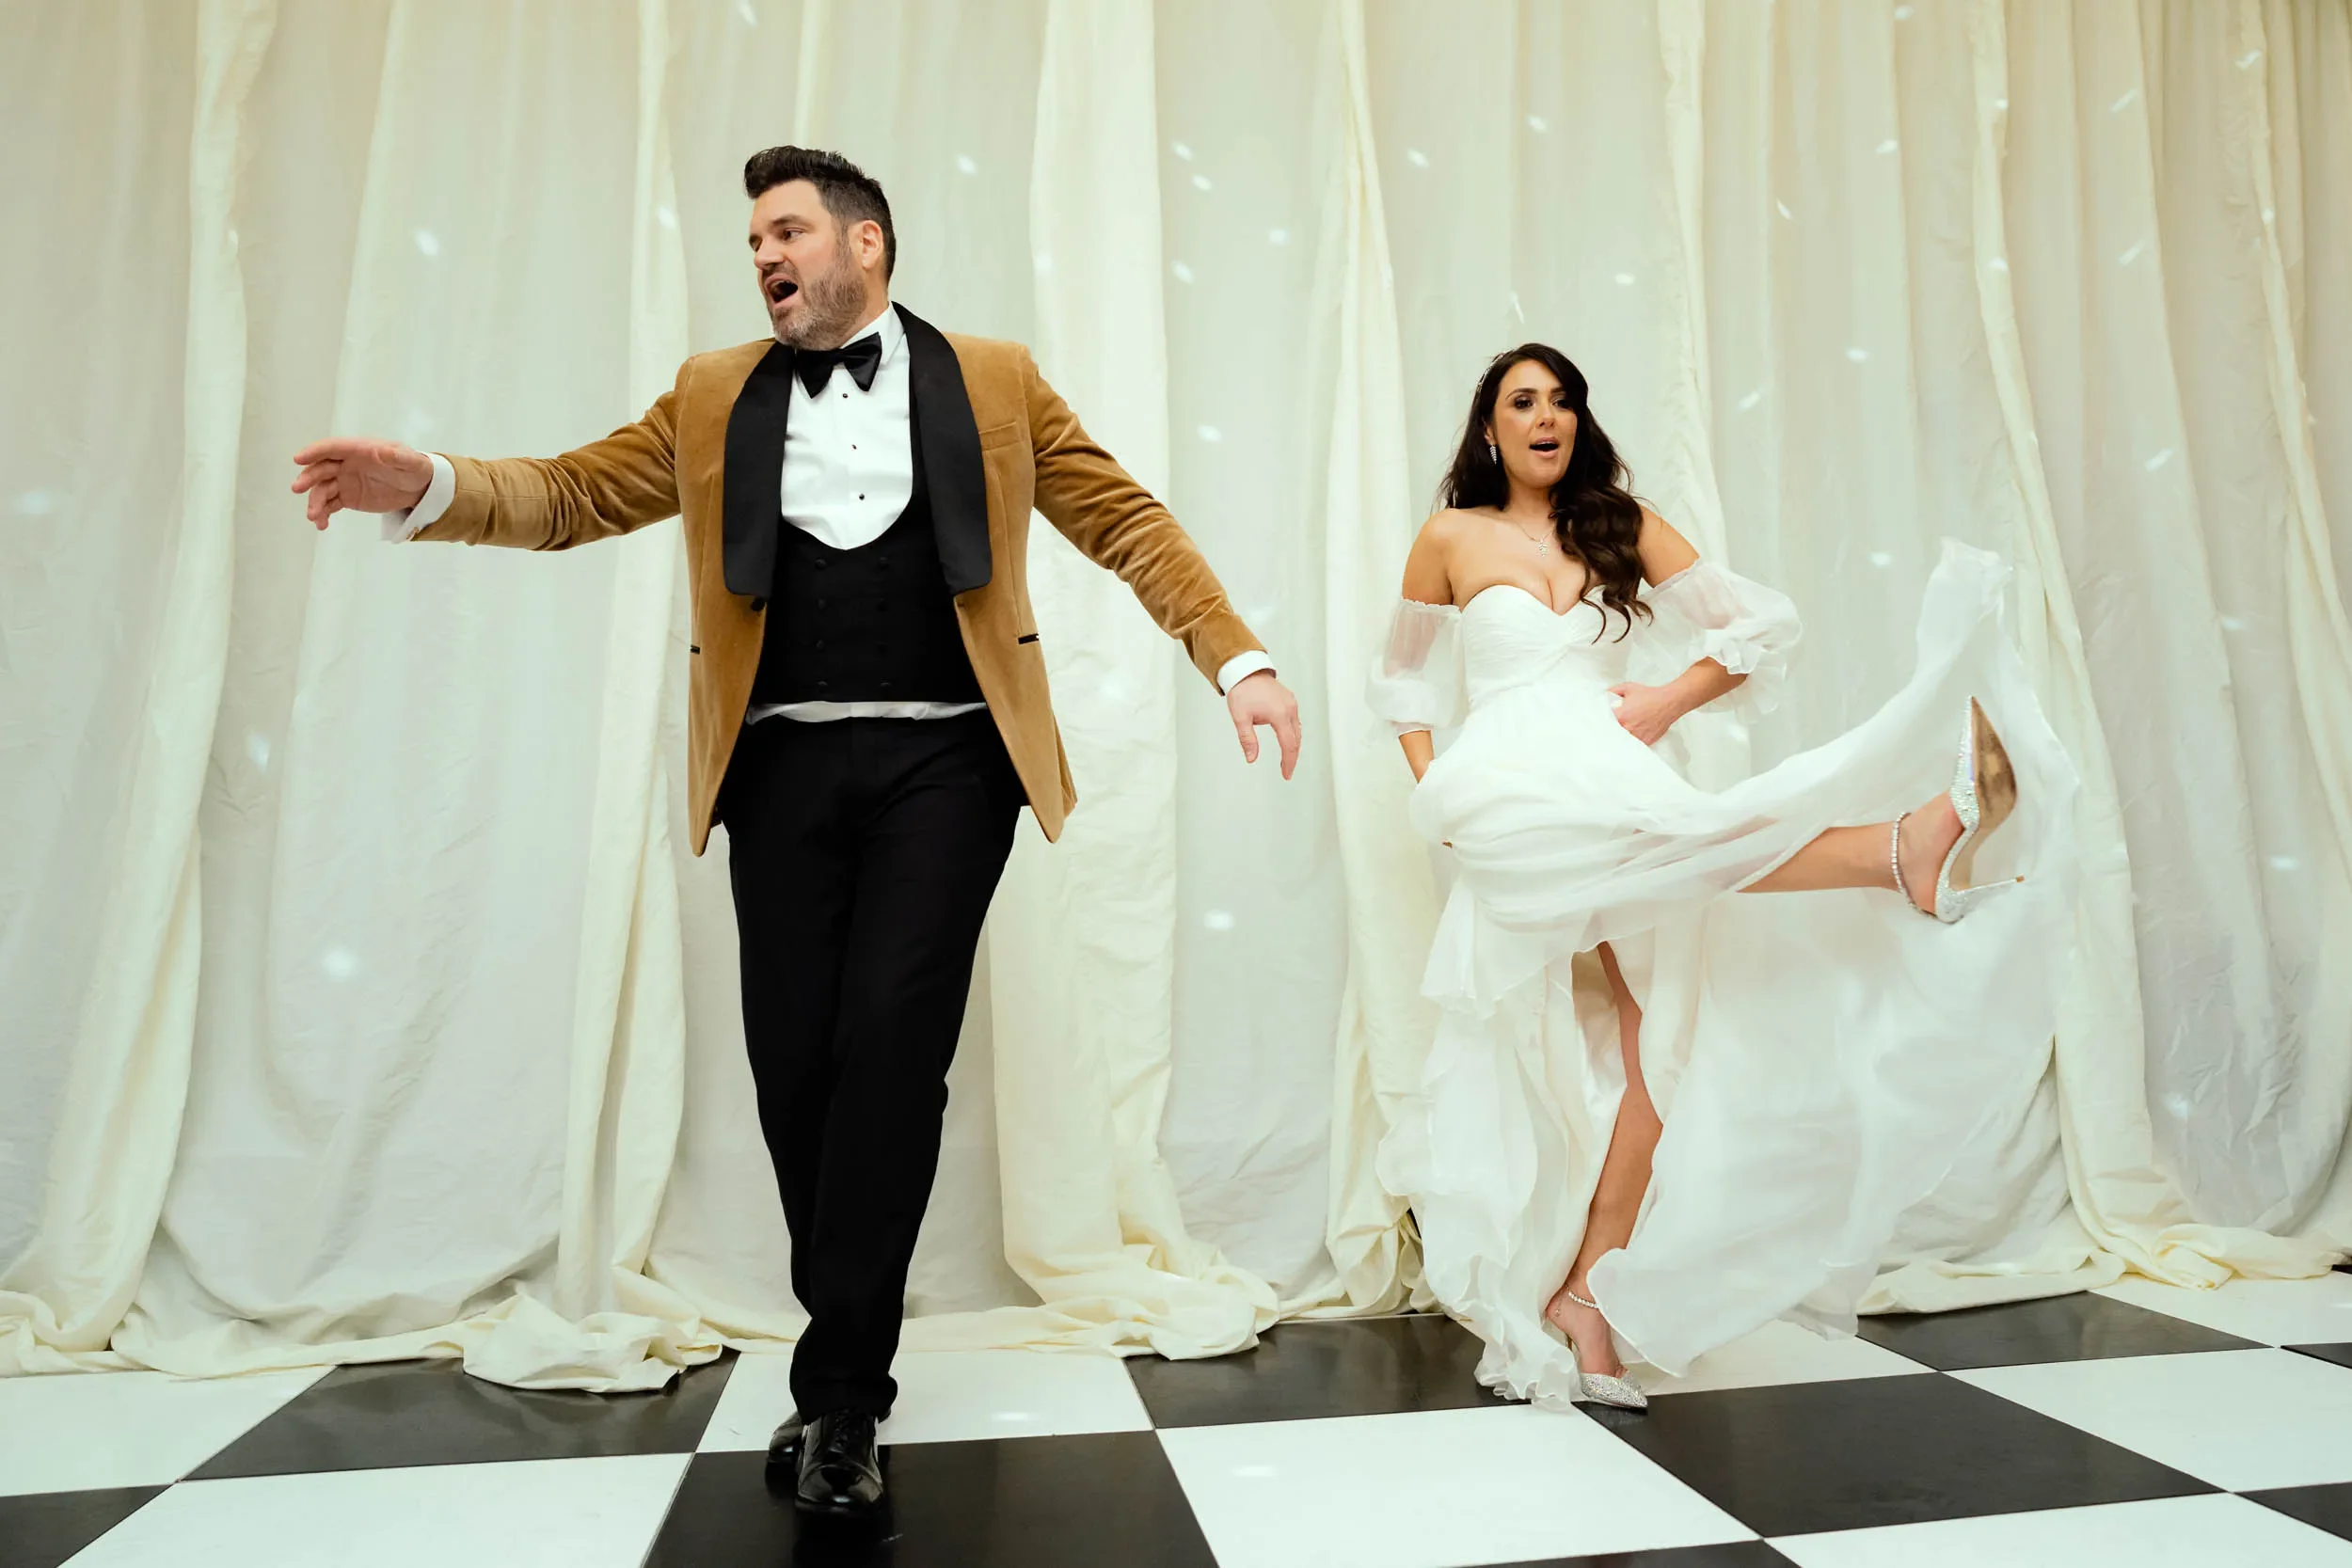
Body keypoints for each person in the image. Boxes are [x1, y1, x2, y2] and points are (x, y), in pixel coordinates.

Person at [291, 146, 1301, 1515]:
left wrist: (1236, 658)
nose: (763, 257)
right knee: (792, 1061)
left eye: (785, 232)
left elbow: (1121, 516)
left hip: (950, 759)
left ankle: (842, 1394)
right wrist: (429, 484)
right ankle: (844, 1348)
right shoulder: (715, 395)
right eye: (752, 240)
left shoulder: (991, 376)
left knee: (893, 1041)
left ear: (865, 245)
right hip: (779, 770)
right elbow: (581, 492)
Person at [1370, 343, 2078, 1411]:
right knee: (1677, 861)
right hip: (1507, 789)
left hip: (1614, 774)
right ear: (1489, 428)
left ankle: (1588, 1295)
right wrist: (1440, 800)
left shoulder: (1619, 522)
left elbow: (1760, 624)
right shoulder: (1449, 536)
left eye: (1563, 398)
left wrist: (1664, 702)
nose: (1546, 416)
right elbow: (1400, 682)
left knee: (1666, 1039)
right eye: (1523, 401)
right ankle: (1899, 846)